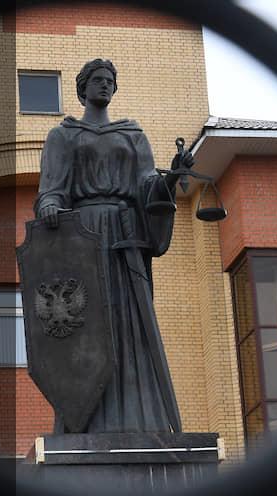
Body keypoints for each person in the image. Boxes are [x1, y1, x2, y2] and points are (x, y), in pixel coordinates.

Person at [35, 59, 194, 433]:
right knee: (88, 322)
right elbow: (51, 189)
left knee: (129, 320)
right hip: (83, 235)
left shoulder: (132, 135)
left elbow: (147, 187)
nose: (105, 85)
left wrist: (172, 177)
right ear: (82, 88)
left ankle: (140, 417)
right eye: (97, 80)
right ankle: (85, 420)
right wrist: (50, 206)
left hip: (125, 234)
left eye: (109, 81)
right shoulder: (64, 136)